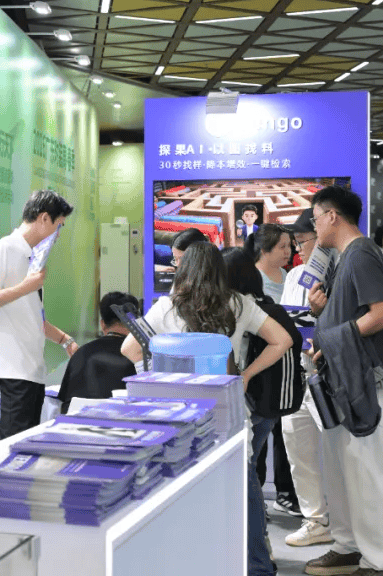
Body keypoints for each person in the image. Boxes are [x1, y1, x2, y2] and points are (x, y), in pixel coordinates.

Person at [123, 241, 293, 576]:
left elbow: (130, 349)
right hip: (226, 412)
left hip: (179, 416)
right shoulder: (238, 303)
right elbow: (283, 340)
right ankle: (257, 566)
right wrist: (246, 374)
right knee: (243, 490)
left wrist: (161, 377)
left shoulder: (167, 307)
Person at [304, 186, 383, 576]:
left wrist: (333, 337)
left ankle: (380, 560)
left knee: (365, 470)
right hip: (342, 376)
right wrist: (323, 314)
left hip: (363, 380)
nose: (314, 227)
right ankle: (347, 545)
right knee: (341, 469)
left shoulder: (361, 254)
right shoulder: (345, 258)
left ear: (332, 216)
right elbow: (352, 314)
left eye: (315, 218)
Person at [0, 189, 78, 439]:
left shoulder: (31, 256)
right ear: (44, 218)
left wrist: (65, 340)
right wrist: (25, 287)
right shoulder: (3, 249)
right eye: (59, 225)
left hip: (30, 373)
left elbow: (30, 315)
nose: (58, 234)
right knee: (10, 446)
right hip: (9, 374)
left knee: (25, 445)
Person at [225, 247, 301, 519]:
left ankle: (254, 523)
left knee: (247, 467)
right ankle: (258, 519)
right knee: (253, 461)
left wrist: (245, 375)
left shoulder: (239, 307)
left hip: (247, 397)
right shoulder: (266, 304)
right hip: (269, 397)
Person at [280, 208, 336, 548]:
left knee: (337, 452)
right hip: (298, 375)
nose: (298, 250)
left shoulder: (340, 271)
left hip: (331, 376)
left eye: (302, 242)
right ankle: (315, 520)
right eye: (295, 243)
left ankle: (344, 521)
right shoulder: (294, 276)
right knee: (297, 447)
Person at [56, 291, 139, 413]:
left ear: (102, 324)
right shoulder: (139, 357)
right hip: (119, 422)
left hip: (75, 422)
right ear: (135, 323)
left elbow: (64, 400)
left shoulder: (80, 353)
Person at [249, 224, 291, 303]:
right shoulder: (252, 279)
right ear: (264, 250)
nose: (288, 251)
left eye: (289, 245)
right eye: (282, 247)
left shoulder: (285, 273)